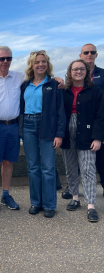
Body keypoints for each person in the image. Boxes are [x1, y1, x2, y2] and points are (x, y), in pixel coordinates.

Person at [0, 46, 64, 212]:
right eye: (2, 58)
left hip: (15, 126)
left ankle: (12, 196)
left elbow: (56, 102)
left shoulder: (20, 78)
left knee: (14, 163)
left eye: (8, 58)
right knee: (0, 162)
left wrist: (59, 79)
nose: (5, 62)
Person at [19, 51, 66, 218]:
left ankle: (49, 205)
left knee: (48, 167)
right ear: (32, 65)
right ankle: (35, 202)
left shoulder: (54, 84)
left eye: (43, 62)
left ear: (48, 64)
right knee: (33, 167)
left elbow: (60, 111)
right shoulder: (25, 85)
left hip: (47, 127)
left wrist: (59, 134)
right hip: (28, 126)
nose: (41, 65)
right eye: (37, 62)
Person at [61, 59, 104, 222]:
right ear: (69, 72)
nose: (78, 72)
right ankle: (75, 198)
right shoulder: (64, 91)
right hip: (67, 131)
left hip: (87, 131)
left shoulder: (95, 90)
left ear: (87, 72)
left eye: (81, 69)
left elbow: (101, 116)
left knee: (88, 168)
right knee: (70, 166)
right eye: (75, 69)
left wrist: (98, 137)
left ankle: (91, 205)